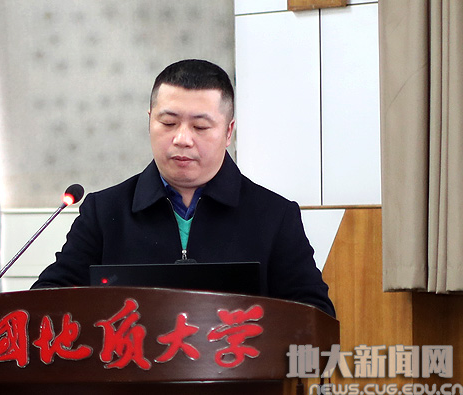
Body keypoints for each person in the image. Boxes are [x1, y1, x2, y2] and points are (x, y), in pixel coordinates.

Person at [32, 59, 335, 317]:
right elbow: (48, 300)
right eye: (168, 123)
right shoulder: (104, 211)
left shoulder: (274, 215)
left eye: (200, 127)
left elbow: (315, 313)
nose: (182, 139)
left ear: (228, 131)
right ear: (150, 122)